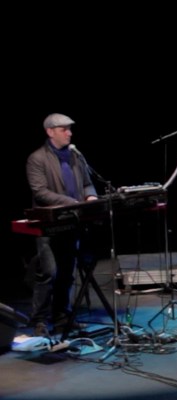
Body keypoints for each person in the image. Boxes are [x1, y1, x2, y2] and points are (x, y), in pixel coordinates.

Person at [25, 113, 98, 337]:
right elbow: (40, 192)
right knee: (49, 272)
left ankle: (61, 317)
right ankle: (39, 321)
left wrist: (90, 196)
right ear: (50, 132)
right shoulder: (37, 158)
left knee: (67, 273)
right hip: (49, 225)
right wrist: (72, 203)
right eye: (64, 129)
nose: (69, 133)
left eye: (69, 129)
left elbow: (87, 183)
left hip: (72, 222)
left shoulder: (75, 156)